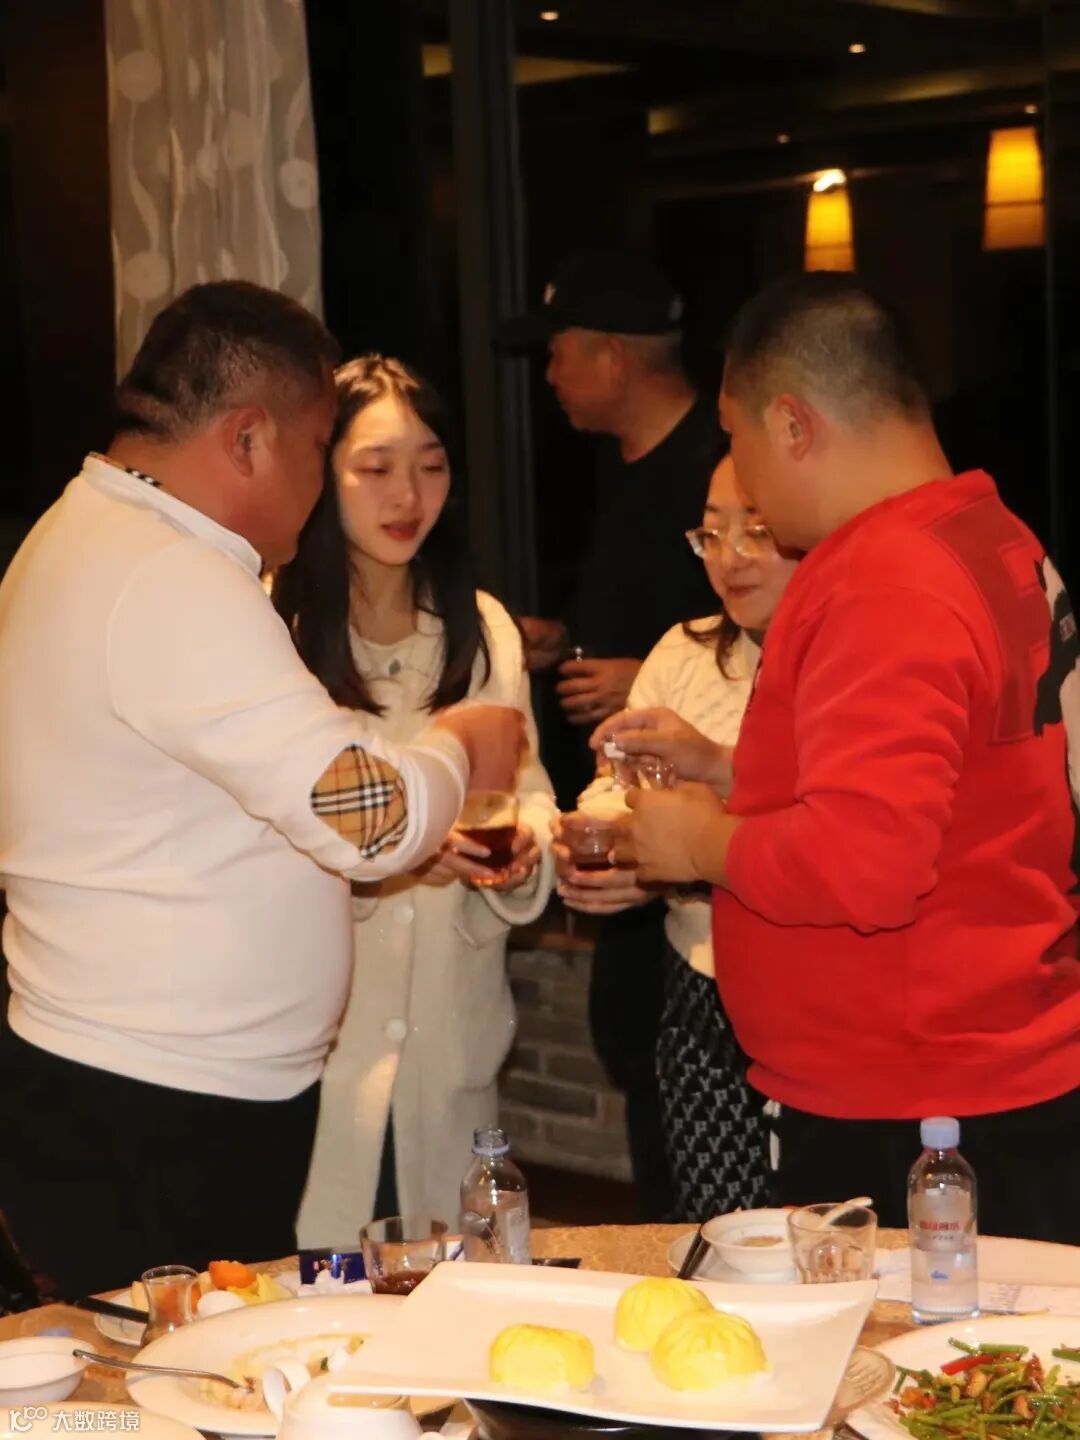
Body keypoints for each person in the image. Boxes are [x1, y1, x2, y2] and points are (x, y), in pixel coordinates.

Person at [0, 282, 524, 1296]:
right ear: (248, 438)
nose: (320, 486)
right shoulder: (170, 577)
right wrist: (460, 742)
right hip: (158, 1100)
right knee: (182, 1367)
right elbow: (372, 821)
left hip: (117, 1072)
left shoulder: (76, 533)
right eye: (319, 447)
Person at [603, 273, 1080, 1244]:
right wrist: (736, 775)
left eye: (735, 437)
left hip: (917, 1110)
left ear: (793, 424)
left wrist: (698, 844)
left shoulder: (883, 576)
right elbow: (957, 788)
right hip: (987, 1070)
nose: (740, 475)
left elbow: (868, 866)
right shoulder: (990, 534)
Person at [273, 355, 556, 1238]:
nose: (408, 496)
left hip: (451, 1033)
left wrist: (523, 853)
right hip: (320, 1043)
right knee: (319, 1280)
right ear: (323, 473)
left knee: (447, 1278)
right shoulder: (273, 628)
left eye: (431, 466)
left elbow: (529, 791)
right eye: (376, 468)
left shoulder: (482, 627)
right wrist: (391, 855)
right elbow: (259, 828)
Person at [502, 250, 722, 1220]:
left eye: (559, 352)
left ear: (614, 356)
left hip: (699, 863)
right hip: (620, 826)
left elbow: (746, 649)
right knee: (640, 1066)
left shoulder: (715, 471)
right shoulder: (619, 472)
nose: (549, 376)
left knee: (690, 1118)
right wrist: (566, 643)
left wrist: (648, 678)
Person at [554, 456, 797, 1221]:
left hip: (812, 992)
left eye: (756, 530)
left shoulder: (845, 661)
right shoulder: (685, 652)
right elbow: (614, 786)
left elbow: (829, 828)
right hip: (699, 984)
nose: (730, 557)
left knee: (830, 1229)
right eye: (712, 534)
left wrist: (687, 841)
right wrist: (603, 842)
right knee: (718, 1231)